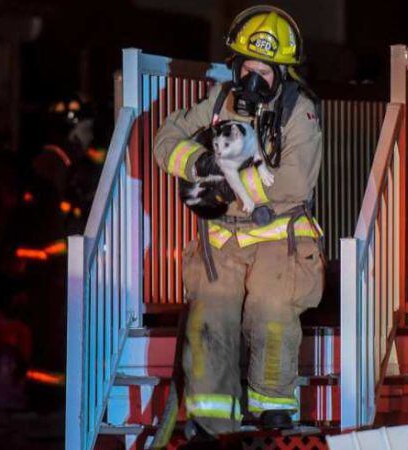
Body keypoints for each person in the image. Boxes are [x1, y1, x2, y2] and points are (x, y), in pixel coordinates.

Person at [153, 5, 325, 439]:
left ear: (283, 74)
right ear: (234, 66)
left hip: (278, 241)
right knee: (210, 321)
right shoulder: (217, 102)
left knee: (271, 312)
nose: (253, 81)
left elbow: (295, 182)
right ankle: (212, 421)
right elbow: (166, 141)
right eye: (247, 68)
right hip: (221, 244)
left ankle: (273, 409)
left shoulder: (299, 113)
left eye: (264, 72)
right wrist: (200, 162)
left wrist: (233, 183)